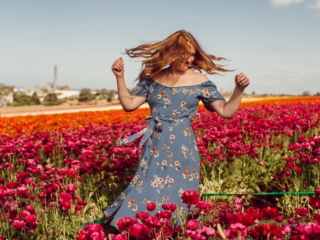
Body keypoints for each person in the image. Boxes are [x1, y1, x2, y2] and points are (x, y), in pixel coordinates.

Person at [104, 30, 250, 230]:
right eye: (185, 54)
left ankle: (175, 230)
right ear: (171, 52)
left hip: (183, 146)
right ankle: (132, 227)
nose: (189, 59)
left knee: (180, 191)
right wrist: (120, 77)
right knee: (146, 185)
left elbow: (226, 111)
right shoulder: (152, 78)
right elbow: (129, 104)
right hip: (155, 142)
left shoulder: (200, 80)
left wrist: (238, 90)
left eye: (192, 54)